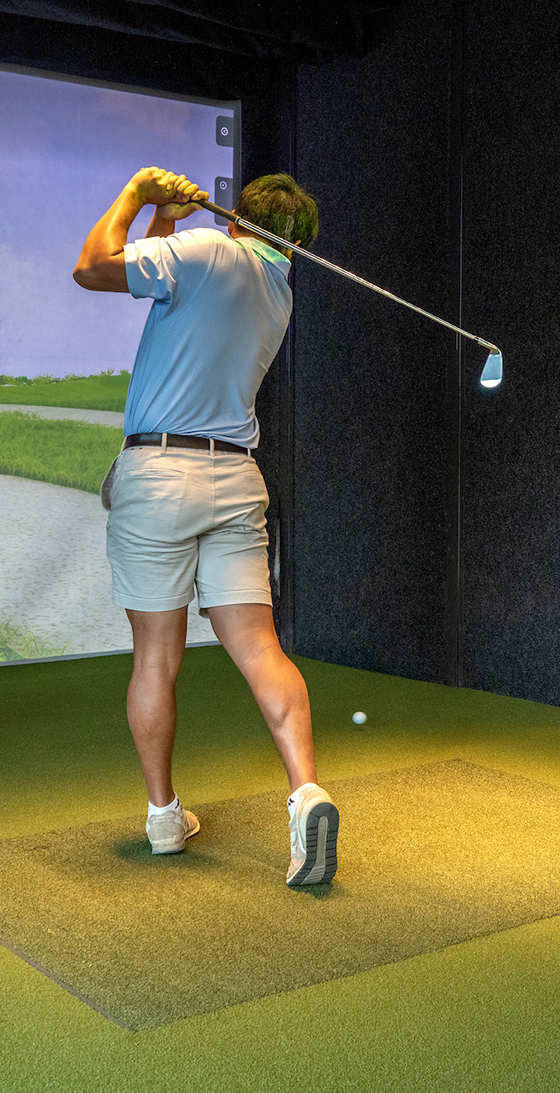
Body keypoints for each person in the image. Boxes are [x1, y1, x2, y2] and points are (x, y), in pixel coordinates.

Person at [72, 167, 338, 886]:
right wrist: (170, 219)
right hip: (235, 478)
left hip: (160, 474)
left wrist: (137, 195)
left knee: (156, 658)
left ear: (235, 219)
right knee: (261, 648)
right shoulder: (278, 287)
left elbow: (92, 267)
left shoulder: (204, 251)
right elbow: (163, 291)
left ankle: (164, 817)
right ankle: (307, 793)